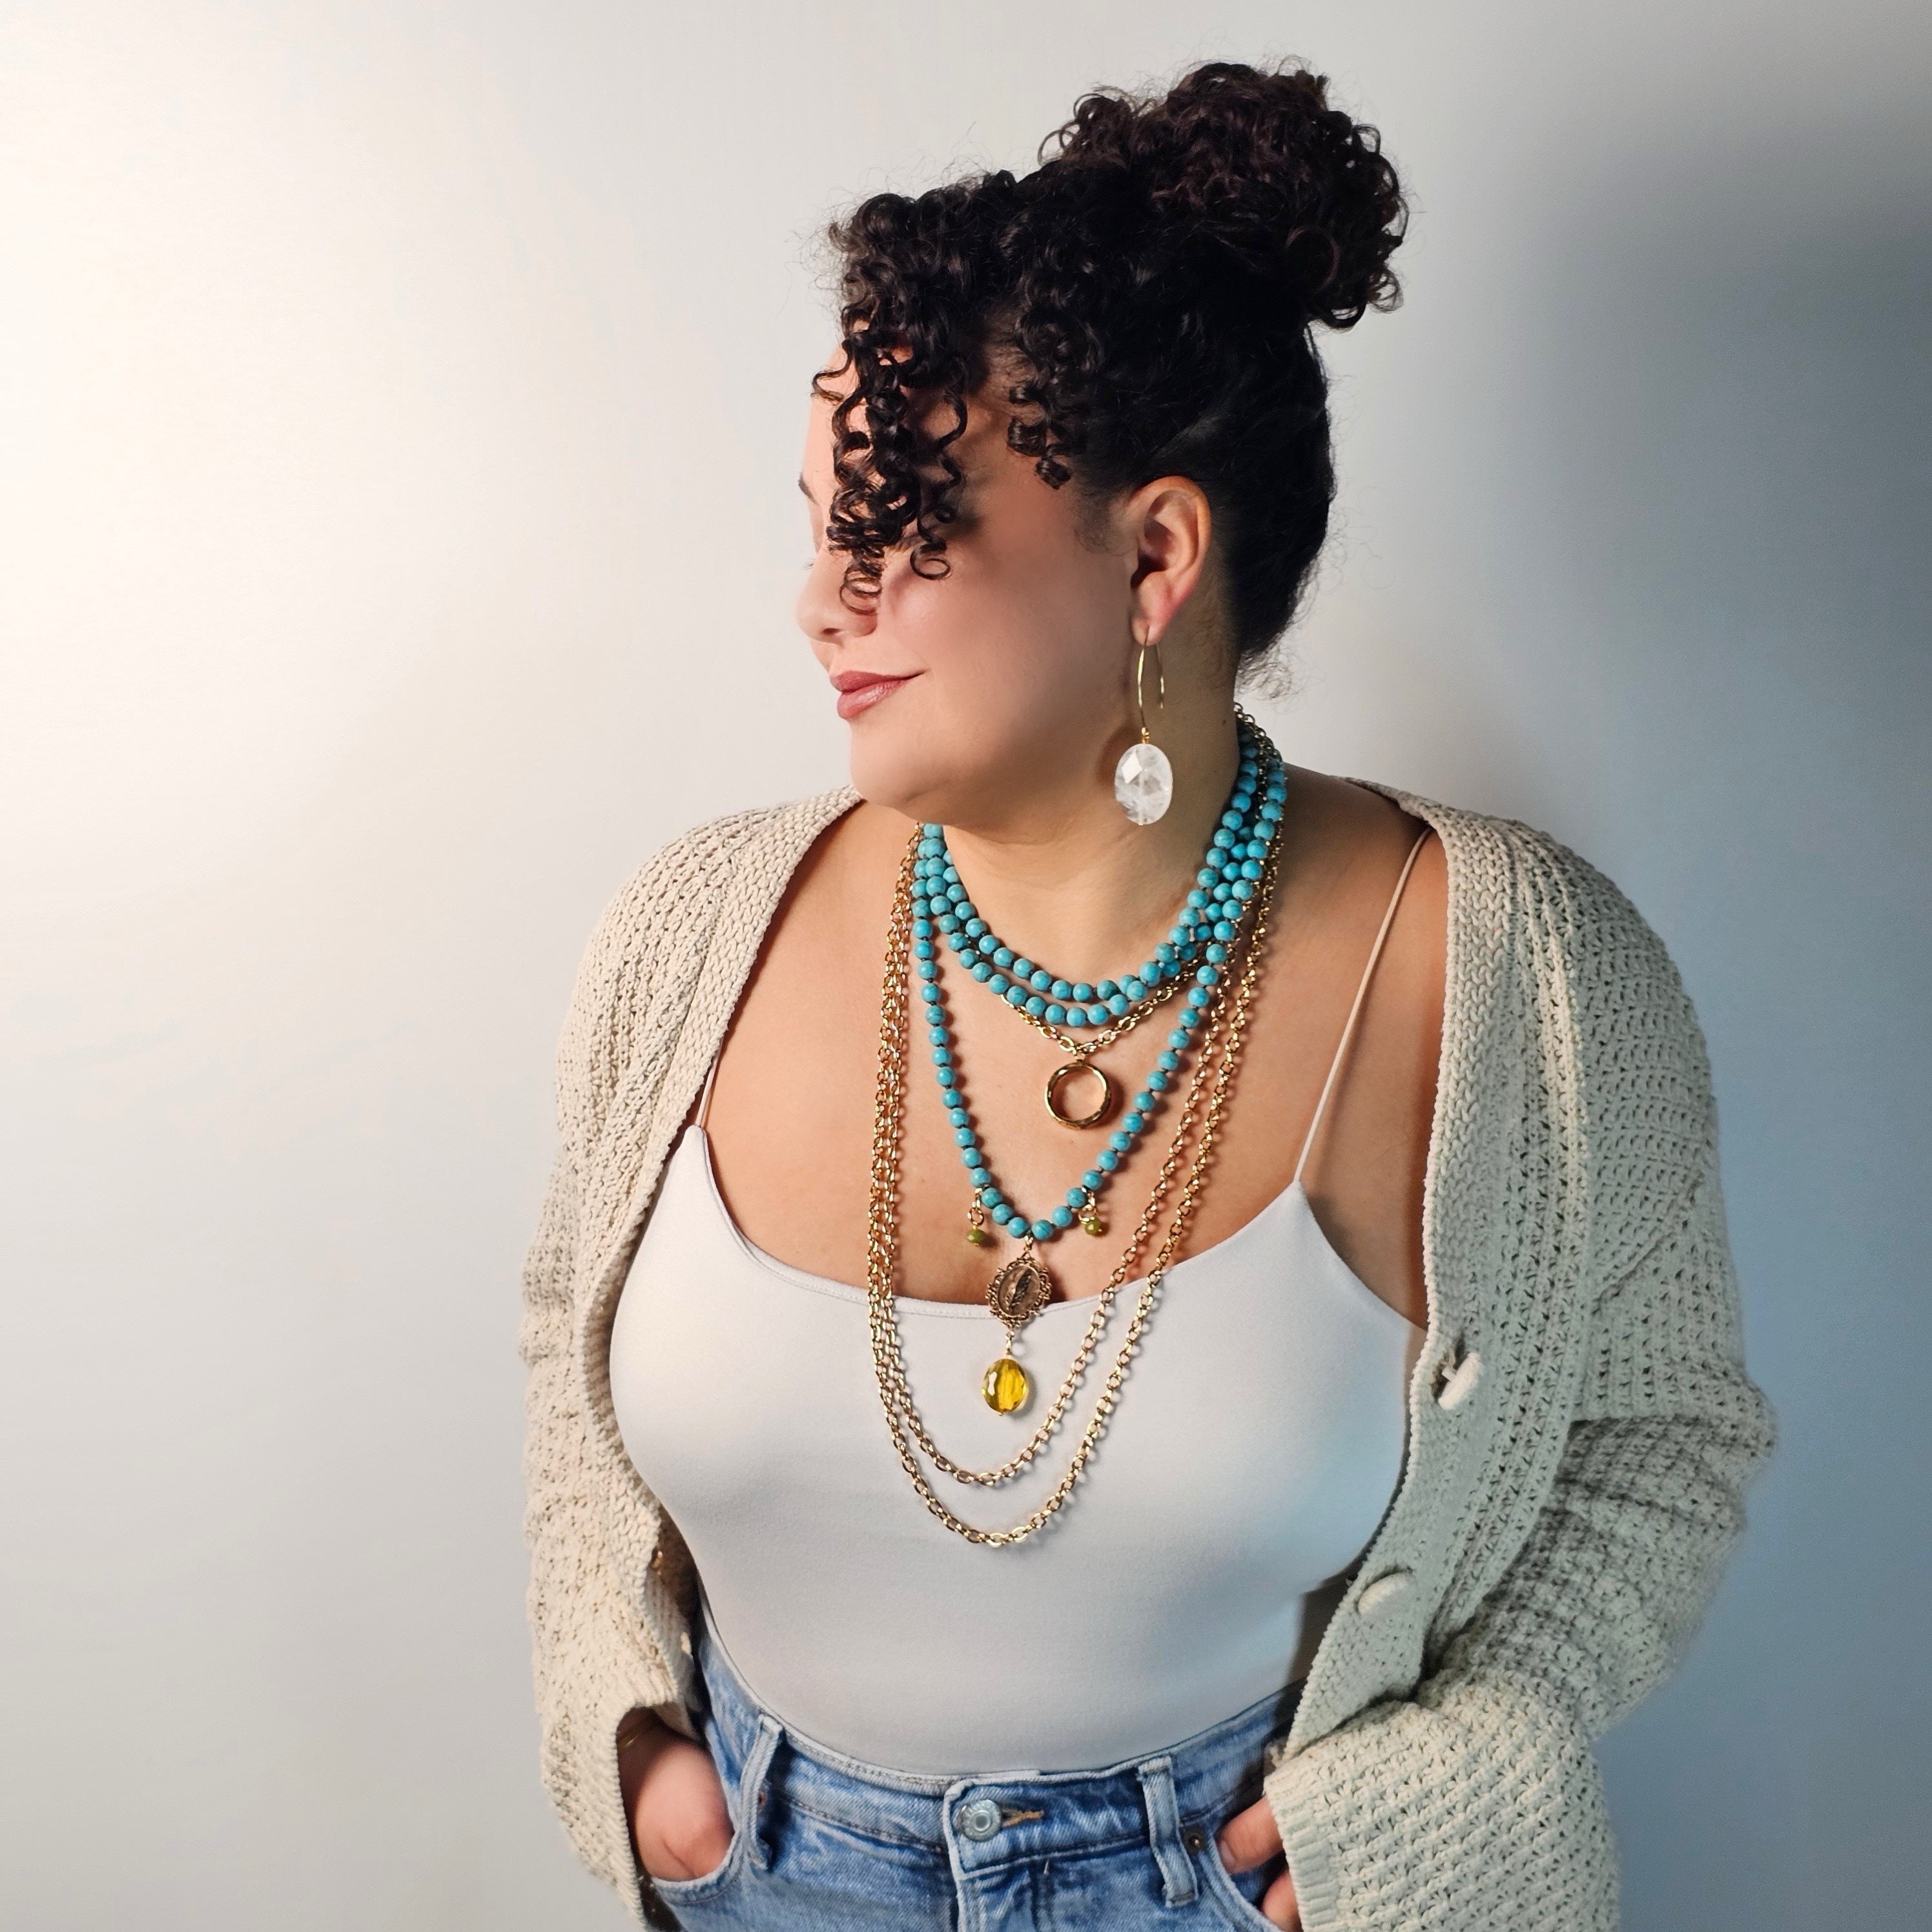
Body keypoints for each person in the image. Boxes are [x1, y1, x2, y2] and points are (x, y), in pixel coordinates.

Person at [519, 60, 1775, 1931]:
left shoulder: (1524, 979)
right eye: (815, 522)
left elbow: (1664, 1443)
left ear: (1156, 555)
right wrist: (633, 1746)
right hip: (768, 1878)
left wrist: (1439, 1785)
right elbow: (569, 1343)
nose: (821, 599)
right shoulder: (690, 930)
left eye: (901, 522)